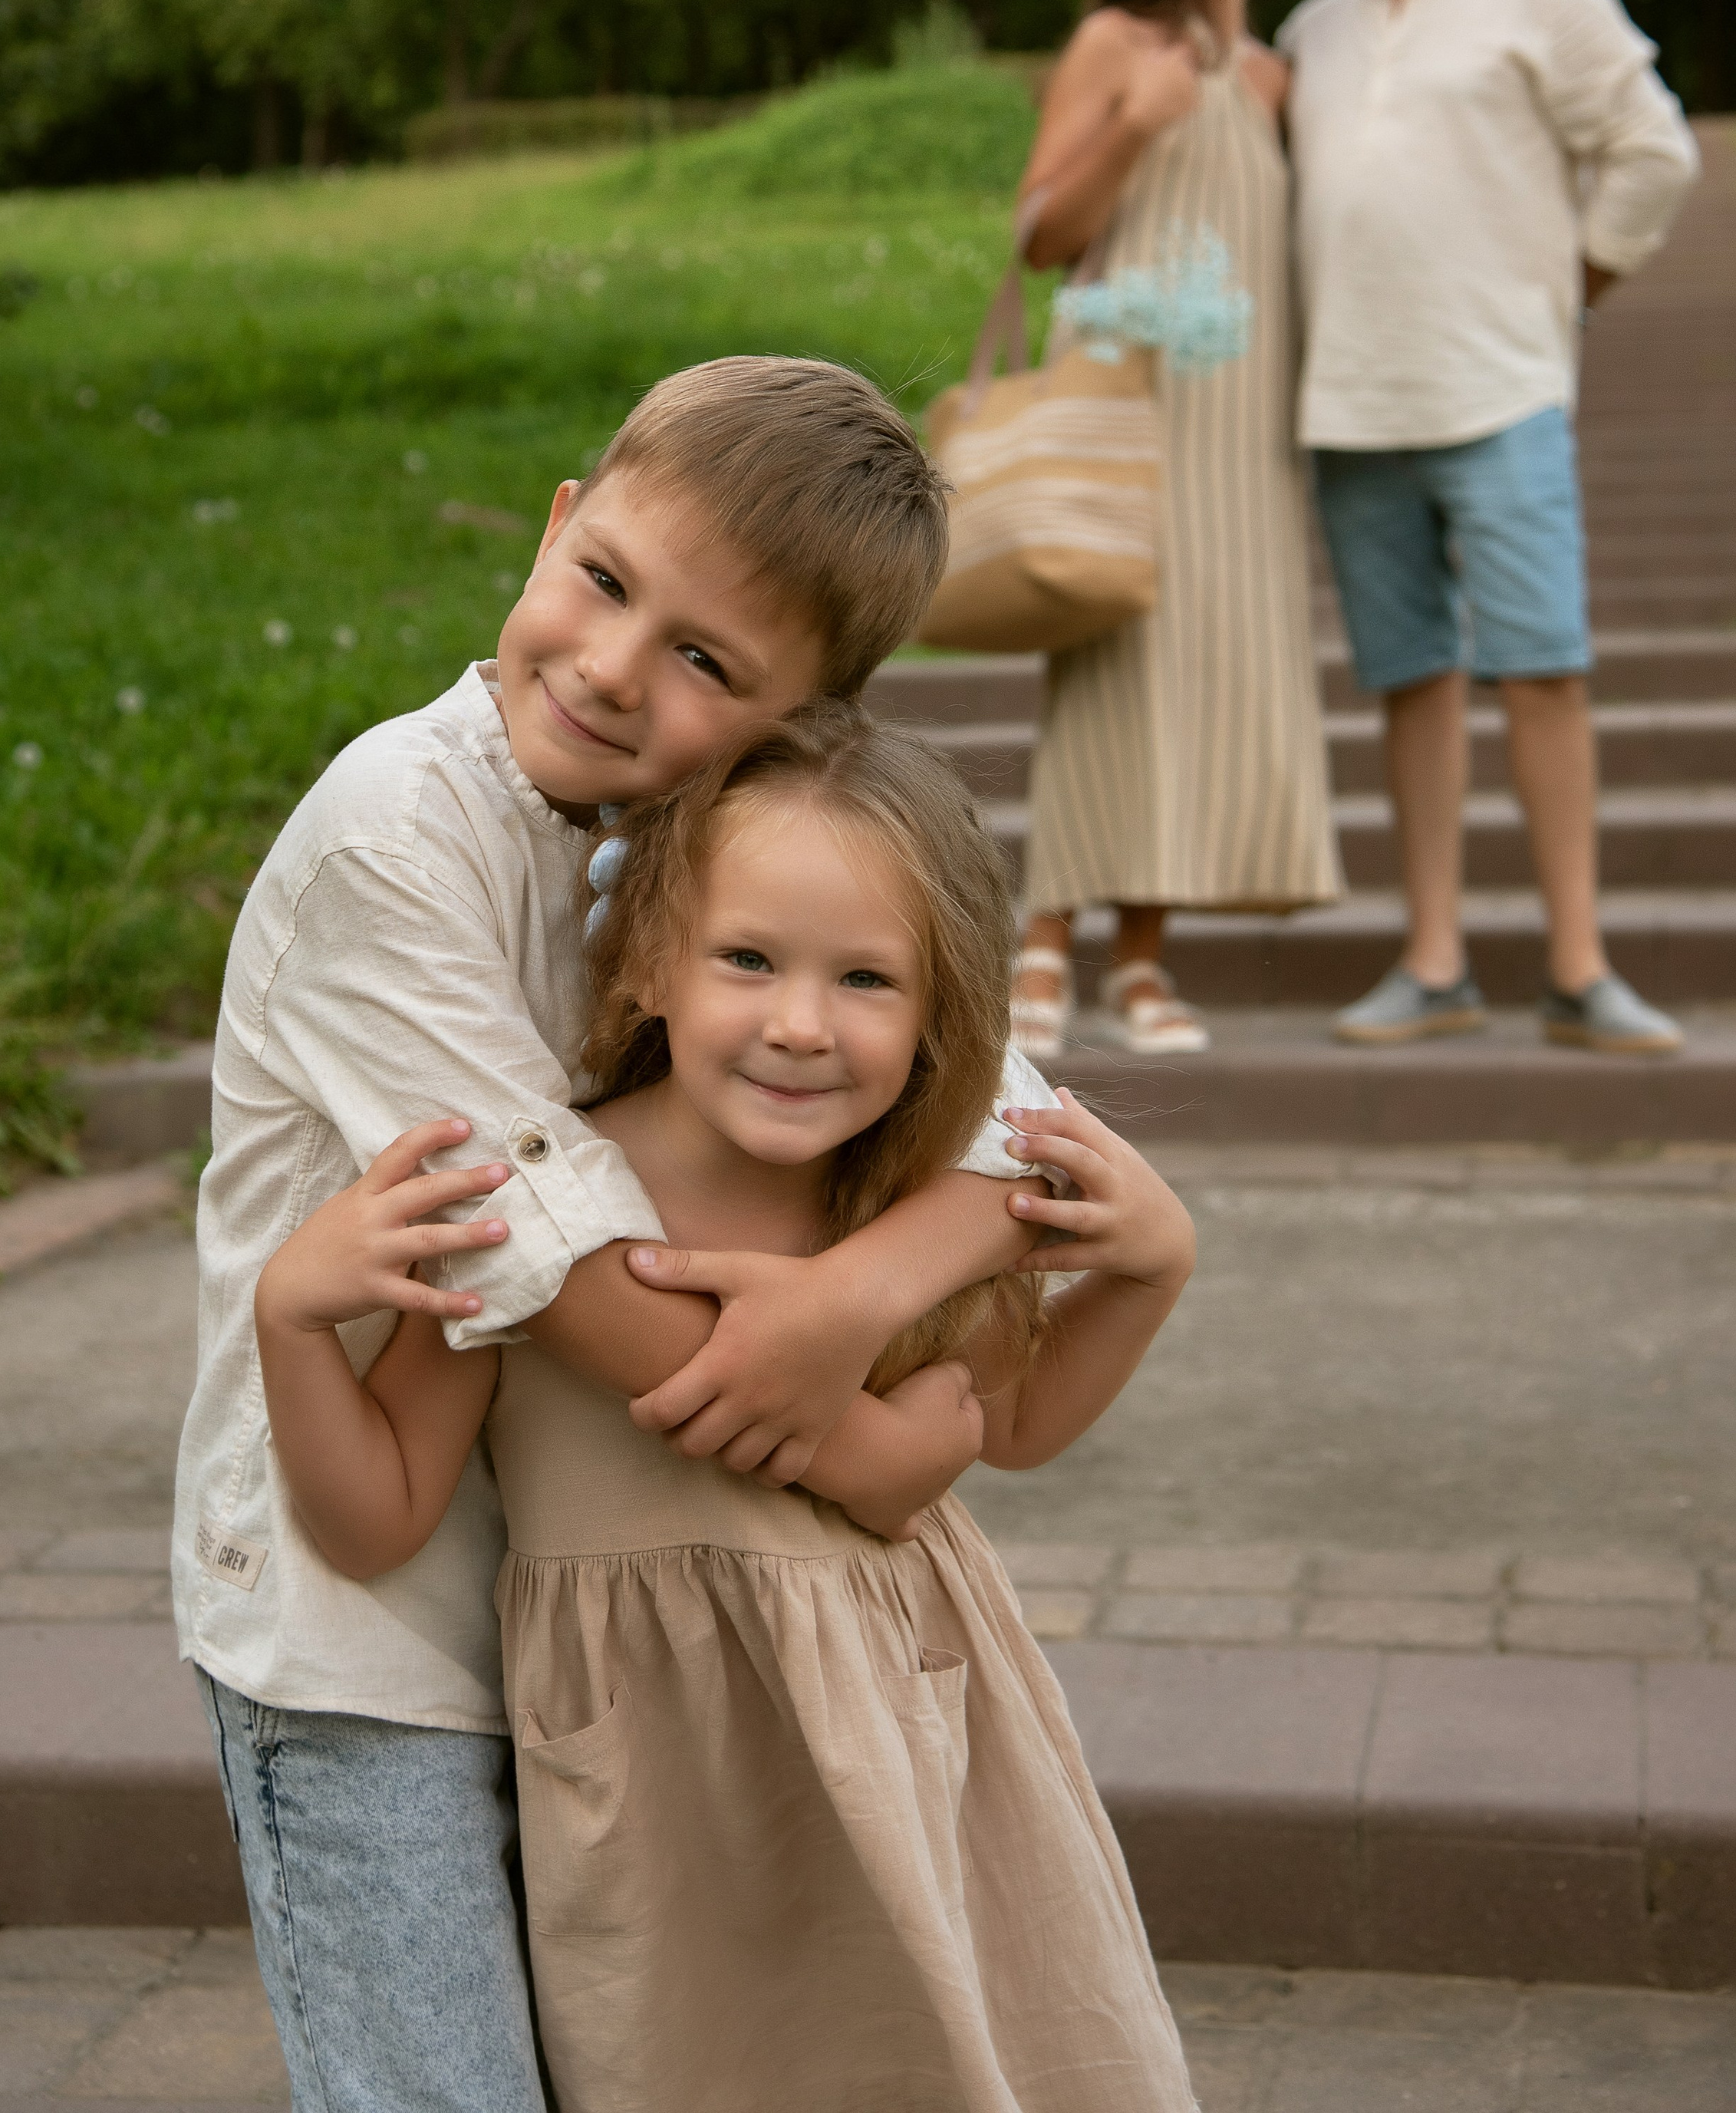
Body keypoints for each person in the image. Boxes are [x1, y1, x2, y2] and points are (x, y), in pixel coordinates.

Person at [174, 356, 1061, 2113]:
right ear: (559, 520)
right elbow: (555, 1265)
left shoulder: (720, 849)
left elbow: (1018, 1126)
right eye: (604, 583)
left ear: (804, 724)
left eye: (706, 663)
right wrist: (849, 1425)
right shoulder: (393, 837)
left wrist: (868, 1289)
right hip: (376, 1630)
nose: (608, 667)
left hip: (600, 1624)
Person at [256, 702, 1199, 2113]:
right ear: (649, 964)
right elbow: (374, 1516)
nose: (801, 1026)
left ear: (944, 1012)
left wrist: (1152, 1267)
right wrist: (290, 1320)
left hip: (909, 1751)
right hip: (664, 1795)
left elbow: (1021, 1419)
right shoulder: (537, 1212)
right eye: (748, 959)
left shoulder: (896, 1213)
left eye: (868, 981)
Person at [1282, 0, 1699, 1052]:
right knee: (1410, 684)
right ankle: (1435, 962)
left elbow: (1655, 149)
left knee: (1545, 675)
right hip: (1350, 404)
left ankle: (1578, 969)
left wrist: (1572, 285)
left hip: (1502, 394)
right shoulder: (1312, 31)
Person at [1010, 0, 1342, 1061]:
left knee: (1209, 663)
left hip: (1247, 422)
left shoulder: (1267, 79)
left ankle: (1142, 959)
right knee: (1114, 653)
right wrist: (1134, 128)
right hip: (1133, 398)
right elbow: (1044, 232)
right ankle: (1045, 937)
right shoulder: (1118, 49)